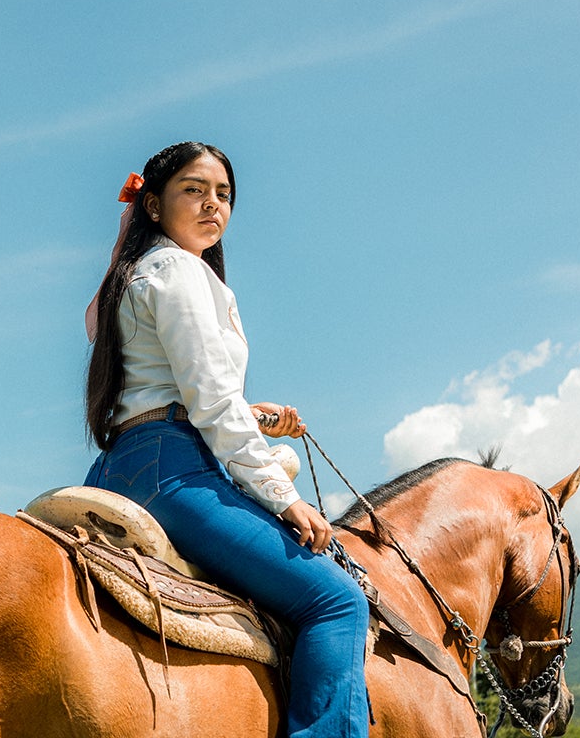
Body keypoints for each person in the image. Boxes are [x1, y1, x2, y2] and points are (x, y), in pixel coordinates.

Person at [83, 141, 369, 738]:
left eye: (224, 194)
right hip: (174, 471)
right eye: (194, 189)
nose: (214, 204)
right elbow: (209, 403)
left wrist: (252, 412)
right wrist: (284, 497)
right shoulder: (182, 272)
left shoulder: (135, 275)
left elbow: (142, 364)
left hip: (116, 469)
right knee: (338, 604)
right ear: (155, 207)